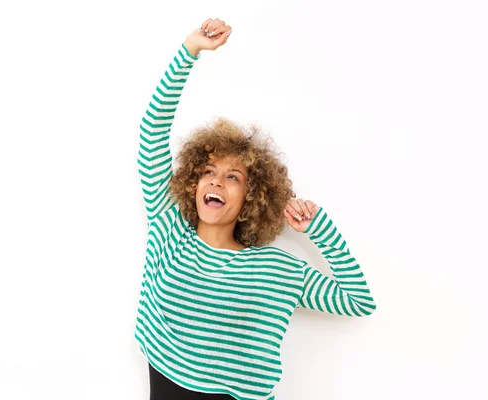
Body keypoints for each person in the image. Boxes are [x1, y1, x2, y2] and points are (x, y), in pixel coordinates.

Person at [134, 18, 377, 400]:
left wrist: (321, 230)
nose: (215, 182)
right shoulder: (169, 232)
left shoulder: (275, 268)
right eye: (209, 171)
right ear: (193, 183)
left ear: (252, 197)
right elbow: (152, 136)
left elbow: (358, 301)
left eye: (233, 177)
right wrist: (188, 52)